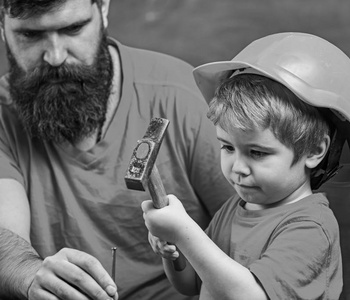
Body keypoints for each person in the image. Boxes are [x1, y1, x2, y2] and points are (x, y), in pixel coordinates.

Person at [0, 0, 234, 299]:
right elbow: (4, 235)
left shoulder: (180, 96)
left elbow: (256, 227)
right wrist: (28, 272)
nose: (56, 57)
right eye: (30, 35)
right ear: (2, 28)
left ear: (104, 9)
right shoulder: (2, 116)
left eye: (73, 28)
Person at [141, 32, 350, 299]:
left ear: (315, 150)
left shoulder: (310, 228)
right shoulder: (234, 210)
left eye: (257, 153)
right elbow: (192, 284)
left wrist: (184, 231)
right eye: (228, 147)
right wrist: (175, 250)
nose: (238, 167)